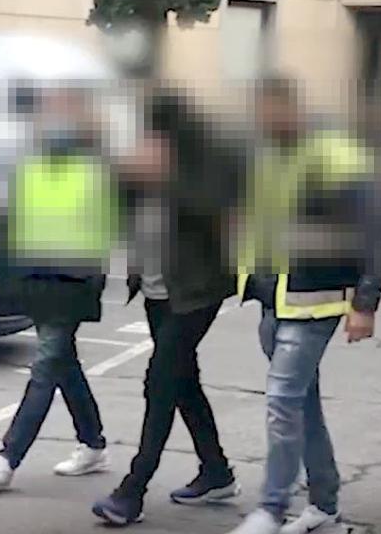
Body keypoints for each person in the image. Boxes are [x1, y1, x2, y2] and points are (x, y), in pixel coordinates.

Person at [227, 77, 381, 534]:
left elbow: (373, 230)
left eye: (265, 110)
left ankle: (271, 509)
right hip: (272, 300)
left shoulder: (335, 153)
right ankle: (325, 504)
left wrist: (366, 302)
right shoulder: (267, 156)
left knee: (281, 401)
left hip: (313, 302)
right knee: (302, 406)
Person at [91, 90, 242, 525]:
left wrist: (166, 175)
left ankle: (132, 490)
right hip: (157, 290)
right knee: (182, 380)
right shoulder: (145, 157)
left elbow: (216, 209)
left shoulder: (208, 160)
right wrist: (123, 174)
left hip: (195, 292)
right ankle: (216, 470)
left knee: (159, 382)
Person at [0, 85, 127, 490]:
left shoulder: (98, 169)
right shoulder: (30, 165)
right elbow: (2, 217)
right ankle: (93, 444)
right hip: (34, 281)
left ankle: (7, 458)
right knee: (63, 365)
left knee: (45, 365)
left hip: (70, 285)